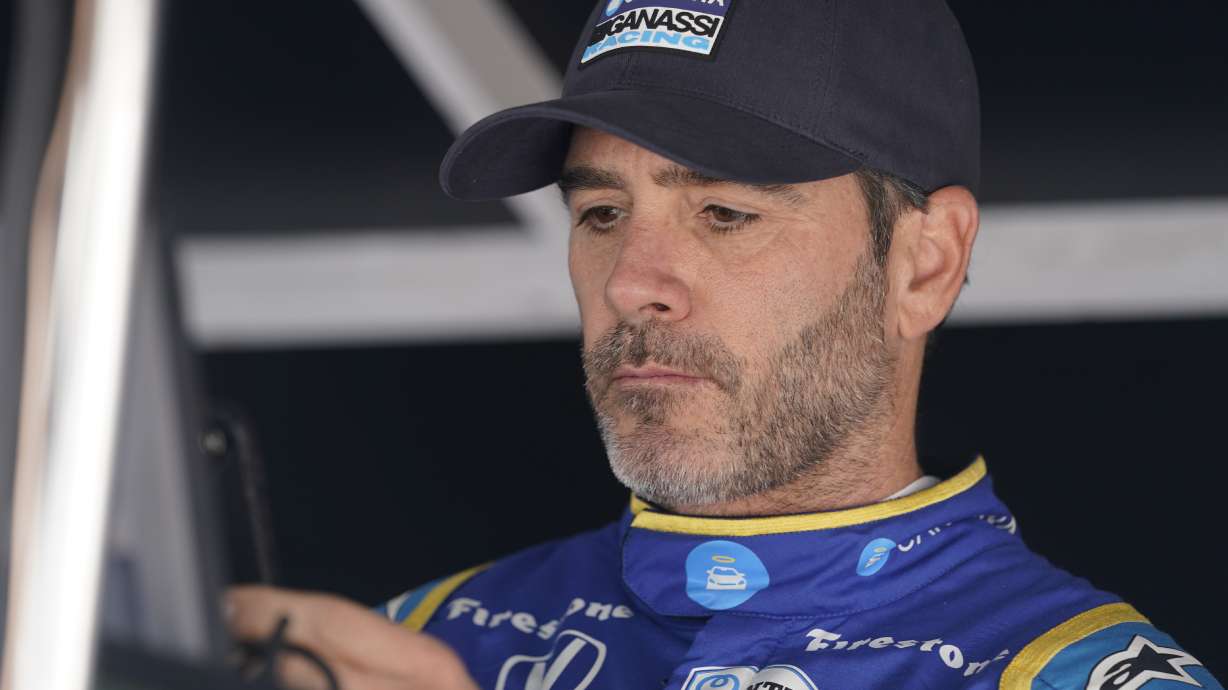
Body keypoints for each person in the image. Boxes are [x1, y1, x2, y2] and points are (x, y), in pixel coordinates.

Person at [228, 1, 1223, 688]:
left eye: (725, 214)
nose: (630, 283)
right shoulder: (420, 639)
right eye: (603, 212)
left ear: (924, 263)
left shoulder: (1058, 671)